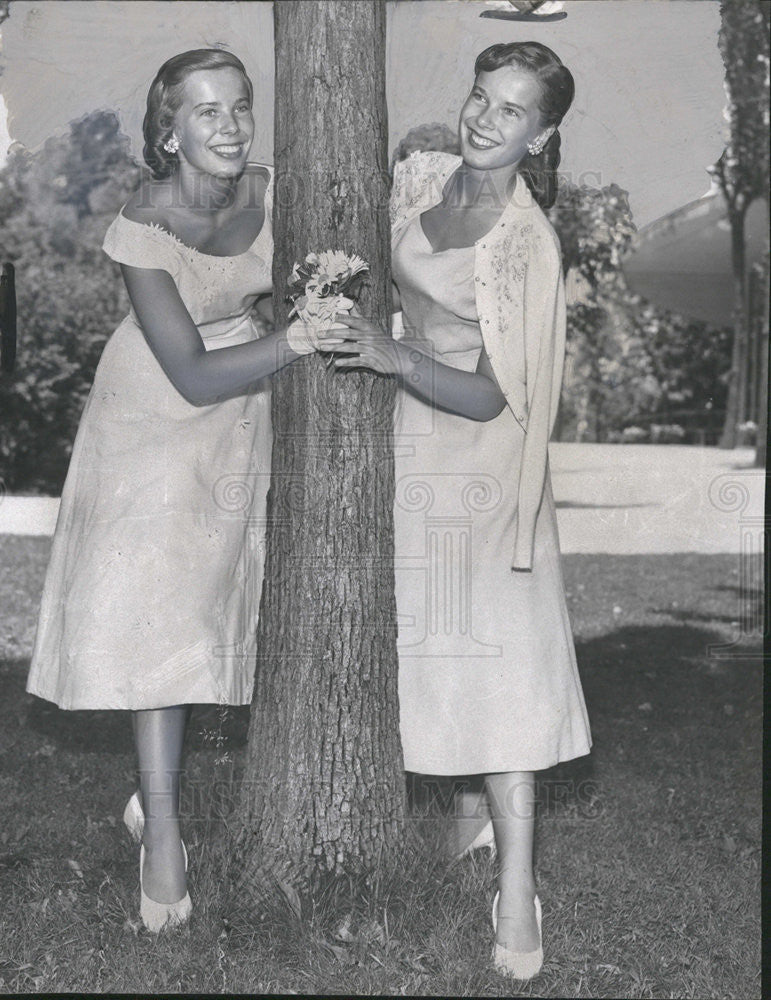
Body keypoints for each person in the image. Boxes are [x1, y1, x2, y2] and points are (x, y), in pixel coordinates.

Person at [26, 48, 323, 933]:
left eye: (239, 107)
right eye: (205, 112)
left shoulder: (277, 189)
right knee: (159, 629)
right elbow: (189, 372)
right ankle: (162, 833)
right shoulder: (143, 225)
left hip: (240, 413)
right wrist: (297, 340)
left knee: (201, 619)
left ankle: (150, 806)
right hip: (153, 417)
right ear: (169, 130)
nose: (229, 127)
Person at [319, 41, 591, 980]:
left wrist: (390, 355)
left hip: (482, 452)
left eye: (511, 111)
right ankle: (470, 824)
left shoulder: (526, 245)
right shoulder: (427, 176)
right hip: (408, 442)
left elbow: (491, 396)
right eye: (481, 97)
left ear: (542, 133)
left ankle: (516, 887)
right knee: (428, 641)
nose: (484, 120)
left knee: (502, 660)